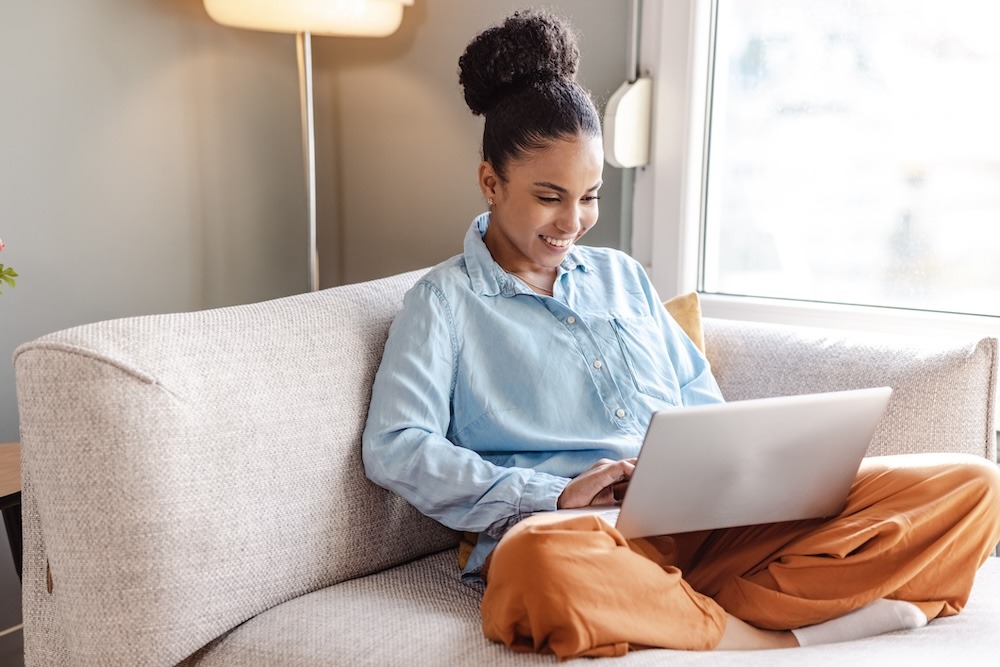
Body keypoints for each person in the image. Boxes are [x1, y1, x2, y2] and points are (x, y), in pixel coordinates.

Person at [362, 9, 1000, 659]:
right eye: (550, 196)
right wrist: (553, 493)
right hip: (579, 534)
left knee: (971, 485)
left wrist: (743, 475)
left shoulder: (621, 277)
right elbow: (395, 446)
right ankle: (759, 634)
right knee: (535, 563)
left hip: (703, 524)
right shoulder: (442, 303)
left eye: (590, 195)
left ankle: (675, 608)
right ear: (490, 182)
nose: (574, 220)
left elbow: (697, 397)